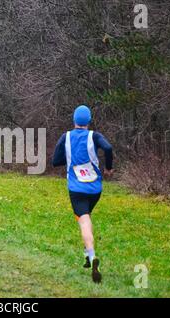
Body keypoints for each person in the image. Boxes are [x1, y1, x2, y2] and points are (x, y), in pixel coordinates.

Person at [52, 105, 113, 284]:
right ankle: (87, 254)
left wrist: (70, 159)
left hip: (76, 188)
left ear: (74, 120)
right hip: (95, 189)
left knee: (83, 220)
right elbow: (108, 148)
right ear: (88, 121)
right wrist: (108, 167)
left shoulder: (66, 137)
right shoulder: (95, 136)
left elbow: (55, 161)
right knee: (86, 217)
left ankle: (92, 255)